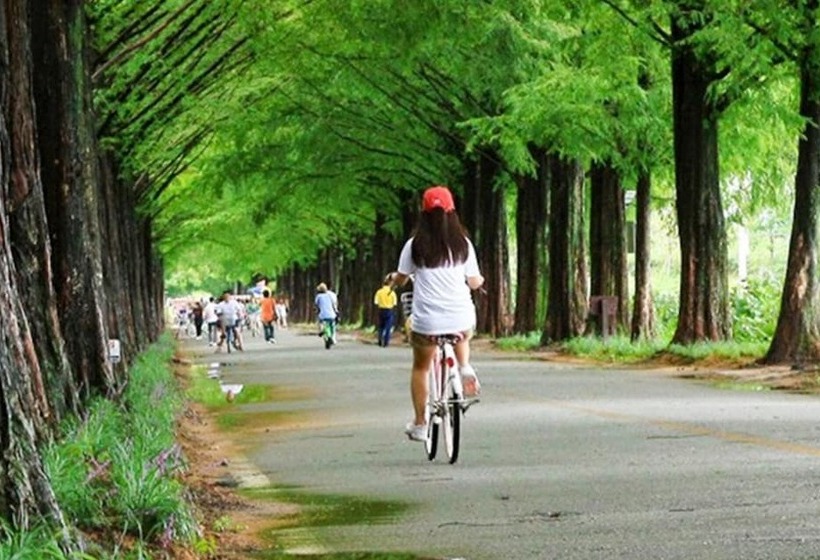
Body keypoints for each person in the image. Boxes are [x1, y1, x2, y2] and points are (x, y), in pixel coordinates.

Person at [389, 185, 484, 442]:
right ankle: (464, 367)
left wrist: (393, 279)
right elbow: (474, 282)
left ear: (423, 213)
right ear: (452, 212)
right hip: (461, 319)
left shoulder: (414, 246)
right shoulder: (463, 245)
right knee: (462, 332)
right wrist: (479, 280)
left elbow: (401, 277)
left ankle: (421, 424)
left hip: (427, 323)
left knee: (420, 367)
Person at [373, 275, 397, 347]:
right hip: (389, 310)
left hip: (381, 310)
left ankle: (380, 340)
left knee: (381, 326)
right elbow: (394, 303)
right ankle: (386, 342)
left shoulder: (379, 292)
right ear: (390, 284)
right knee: (388, 327)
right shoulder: (392, 293)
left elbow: (376, 302)